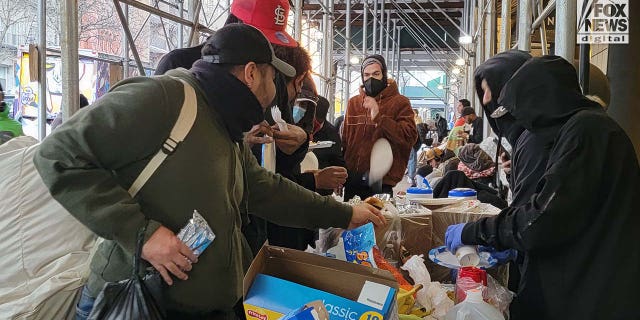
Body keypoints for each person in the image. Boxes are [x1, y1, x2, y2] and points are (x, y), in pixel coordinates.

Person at [34, 24, 384, 320]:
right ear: (251, 73)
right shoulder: (167, 98)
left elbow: (266, 190)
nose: (275, 91)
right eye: (272, 77)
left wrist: (344, 213)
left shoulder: (225, 124)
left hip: (200, 304)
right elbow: (59, 154)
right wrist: (144, 234)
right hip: (137, 302)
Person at [445, 56, 640, 319]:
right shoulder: (586, 129)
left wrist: (474, 232)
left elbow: (539, 219)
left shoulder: (585, 133)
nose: (528, 129)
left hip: (593, 293)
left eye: (526, 116)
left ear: (542, 103)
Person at [342, 54, 417, 200]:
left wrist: (380, 117)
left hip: (382, 180)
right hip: (353, 179)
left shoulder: (400, 102)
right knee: (352, 222)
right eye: (366, 74)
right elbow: (345, 140)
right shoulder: (354, 103)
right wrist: (342, 173)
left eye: (376, 74)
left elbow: (409, 137)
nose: (371, 79)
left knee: (379, 221)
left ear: (384, 75)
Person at [310, 96, 347, 196]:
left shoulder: (332, 133)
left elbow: (338, 161)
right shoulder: (298, 124)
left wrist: (339, 180)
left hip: (322, 190)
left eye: (316, 124)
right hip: (299, 182)